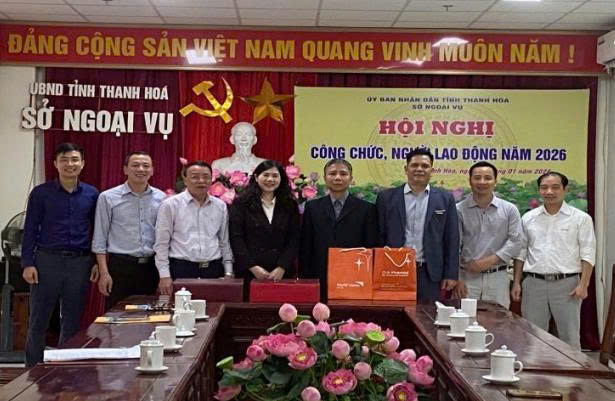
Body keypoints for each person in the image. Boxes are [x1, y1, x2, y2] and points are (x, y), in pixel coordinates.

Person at [21, 142, 99, 367]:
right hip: (47, 261)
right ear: (55, 163)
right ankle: (32, 370)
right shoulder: (41, 193)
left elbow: (97, 230)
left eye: (74, 160)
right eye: (64, 160)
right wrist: (28, 263)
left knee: (72, 320)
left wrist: (95, 261)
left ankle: (64, 369)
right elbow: (30, 228)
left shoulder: (92, 194)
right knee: (39, 319)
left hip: (79, 263)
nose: (69, 164)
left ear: (82, 164)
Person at [511, 172, 595, 349]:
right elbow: (521, 252)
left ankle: (571, 368)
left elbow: (588, 253)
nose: (549, 192)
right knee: (532, 336)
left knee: (569, 337)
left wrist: (584, 284)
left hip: (567, 285)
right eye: (544, 187)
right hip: (533, 283)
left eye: (555, 187)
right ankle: (535, 367)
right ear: (539, 190)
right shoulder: (528, 218)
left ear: (565, 189)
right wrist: (517, 282)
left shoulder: (580, 219)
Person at [376, 148, 459, 301]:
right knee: (393, 313)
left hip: (429, 272)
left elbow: (452, 238)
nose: (419, 169)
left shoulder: (445, 199)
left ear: (432, 170)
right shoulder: (386, 198)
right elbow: (379, 234)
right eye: (414, 165)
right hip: (393, 270)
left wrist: (451, 273)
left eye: (425, 166)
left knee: (427, 314)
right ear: (406, 169)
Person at [92, 151, 166, 309]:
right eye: (135, 165)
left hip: (151, 268)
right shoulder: (108, 197)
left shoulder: (161, 198)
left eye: (146, 166)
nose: (141, 169)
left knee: (150, 316)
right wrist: (104, 273)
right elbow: (99, 238)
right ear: (125, 169)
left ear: (152, 170)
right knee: (117, 315)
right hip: (121, 267)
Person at [300, 159, 378, 301]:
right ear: (325, 178)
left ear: (351, 179)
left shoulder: (367, 209)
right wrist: (306, 279)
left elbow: (371, 245)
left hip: (354, 276)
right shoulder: (312, 207)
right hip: (320, 274)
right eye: (332, 173)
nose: (337, 177)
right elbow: (306, 246)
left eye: (343, 174)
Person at [154, 160, 234, 295]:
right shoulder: (170, 205)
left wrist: (228, 271)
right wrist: (164, 275)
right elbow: (161, 244)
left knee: (214, 306)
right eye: (195, 177)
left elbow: (224, 241)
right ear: (185, 180)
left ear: (212, 180)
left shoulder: (220, 206)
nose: (201, 181)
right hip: (181, 268)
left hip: (213, 269)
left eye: (206, 177)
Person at [453, 161, 521, 309]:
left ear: (495, 181)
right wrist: (457, 278)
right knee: (464, 319)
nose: (482, 182)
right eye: (477, 177)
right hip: (467, 278)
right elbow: (453, 245)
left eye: (488, 178)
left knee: (498, 320)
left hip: (498, 277)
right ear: (470, 180)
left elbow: (515, 242)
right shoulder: (458, 210)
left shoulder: (509, 209)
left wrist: (490, 260)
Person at [229, 160, 300, 286]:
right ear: (256, 177)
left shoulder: (290, 204)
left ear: (281, 179)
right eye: (266, 175)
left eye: (275, 176)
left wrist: (282, 267)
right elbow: (236, 238)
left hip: (282, 273)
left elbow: (294, 238)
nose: (270, 179)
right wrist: (252, 267)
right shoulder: (241, 204)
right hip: (249, 272)